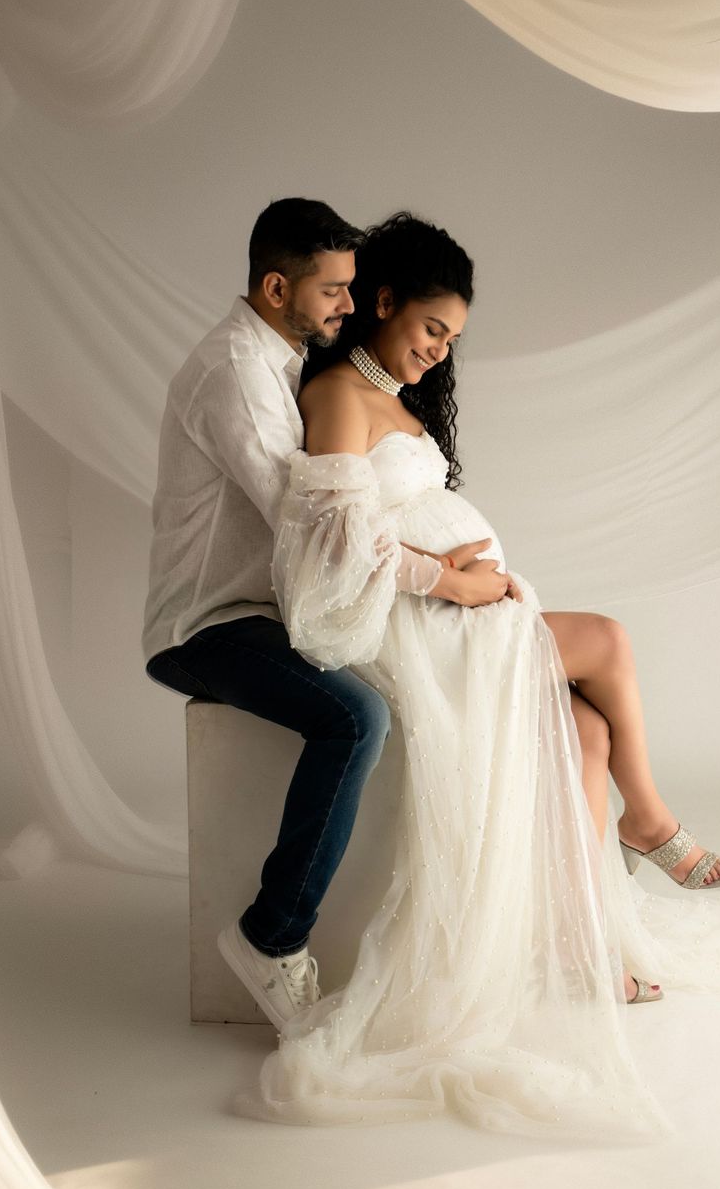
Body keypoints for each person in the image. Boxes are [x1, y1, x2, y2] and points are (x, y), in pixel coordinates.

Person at [242, 211, 720, 1140]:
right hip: (419, 627)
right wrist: (463, 583)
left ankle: (581, 934)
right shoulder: (336, 394)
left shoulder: (390, 392)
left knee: (587, 732)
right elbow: (333, 548)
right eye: (432, 328)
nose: (440, 351)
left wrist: (479, 582)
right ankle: (650, 822)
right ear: (383, 301)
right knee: (609, 641)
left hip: (463, 609)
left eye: (453, 339)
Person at [142, 199, 516, 1030]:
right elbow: (322, 536)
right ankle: (272, 937)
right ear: (278, 287)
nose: (348, 306)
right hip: (206, 623)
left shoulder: (278, 361)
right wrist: (442, 581)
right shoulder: (237, 376)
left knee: (408, 698)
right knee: (357, 718)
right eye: (334, 291)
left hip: (267, 612)